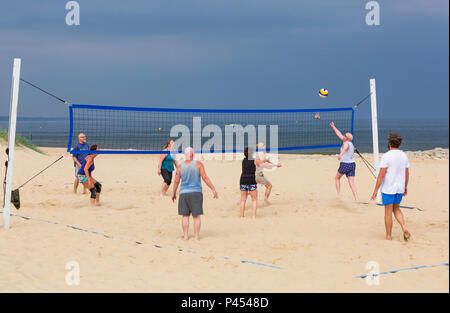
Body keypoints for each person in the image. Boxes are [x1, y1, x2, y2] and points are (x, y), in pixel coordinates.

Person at [371, 133, 411, 241]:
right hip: (400, 187)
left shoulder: (386, 156)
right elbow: (407, 173)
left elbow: (381, 175)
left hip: (389, 188)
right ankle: (404, 227)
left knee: (388, 212)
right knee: (397, 209)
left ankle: (388, 236)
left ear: (389, 143)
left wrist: (375, 190)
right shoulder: (403, 155)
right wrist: (405, 186)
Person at [171, 147, 218, 240]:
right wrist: (213, 189)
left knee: (185, 216)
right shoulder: (198, 164)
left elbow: (176, 181)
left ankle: (185, 236)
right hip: (196, 193)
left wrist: (174, 193)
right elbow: (205, 177)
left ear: (185, 155)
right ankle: (196, 236)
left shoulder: (180, 166)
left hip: (184, 193)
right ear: (192, 154)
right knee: (196, 216)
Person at [240, 147, 281, 219]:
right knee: (254, 200)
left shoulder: (243, 161)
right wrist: (276, 165)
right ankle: (253, 217)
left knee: (243, 200)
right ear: (252, 154)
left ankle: (242, 216)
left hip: (242, 180)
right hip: (251, 181)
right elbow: (266, 165)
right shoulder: (255, 161)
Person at [330, 122, 359, 203]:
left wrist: (340, 155)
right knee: (351, 183)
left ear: (347, 138)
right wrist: (333, 126)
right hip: (352, 165)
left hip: (345, 164)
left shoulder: (346, 143)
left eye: (345, 135)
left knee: (337, 178)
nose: (344, 135)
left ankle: (339, 196)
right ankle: (357, 199)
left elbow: (345, 148)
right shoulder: (349, 142)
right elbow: (339, 134)